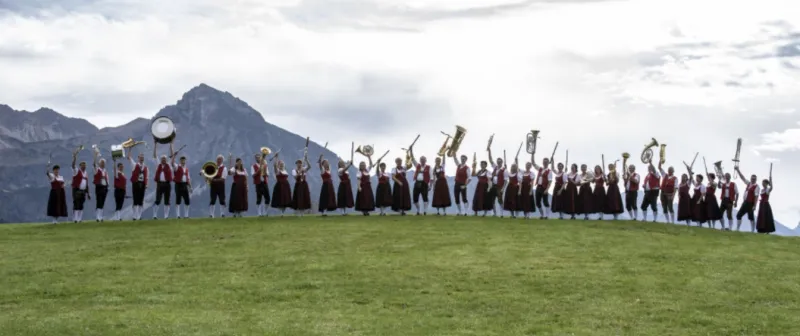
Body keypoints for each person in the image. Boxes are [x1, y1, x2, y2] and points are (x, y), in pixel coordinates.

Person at [734, 167, 759, 232]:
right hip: (745, 202)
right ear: (750, 178)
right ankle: (737, 229)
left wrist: (754, 206)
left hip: (750, 203)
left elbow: (756, 197)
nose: (753, 180)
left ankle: (752, 231)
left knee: (751, 217)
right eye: (752, 178)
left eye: (754, 179)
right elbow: (742, 178)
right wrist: (738, 170)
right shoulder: (748, 183)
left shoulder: (756, 186)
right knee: (739, 215)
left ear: (756, 179)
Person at [152, 144, 174, 219]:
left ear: (166, 160)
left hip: (167, 184)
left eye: (164, 159)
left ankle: (166, 216)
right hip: (159, 184)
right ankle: (154, 215)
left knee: (167, 201)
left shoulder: (169, 165)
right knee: (158, 200)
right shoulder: (158, 165)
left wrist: (171, 146)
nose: (163, 160)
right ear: (161, 160)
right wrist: (155, 146)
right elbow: (155, 156)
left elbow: (172, 155)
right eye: (162, 159)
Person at [408, 148, 431, 215]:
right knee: (415, 198)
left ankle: (425, 211)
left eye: (423, 160)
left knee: (425, 197)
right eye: (421, 160)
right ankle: (418, 210)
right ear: (420, 160)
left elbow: (431, 177)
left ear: (425, 160)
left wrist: (430, 185)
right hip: (417, 182)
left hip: (425, 183)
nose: (422, 161)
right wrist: (411, 150)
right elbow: (412, 159)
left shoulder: (429, 167)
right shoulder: (417, 166)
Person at [71, 151, 91, 223]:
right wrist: (75, 158)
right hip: (76, 190)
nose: (84, 166)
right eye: (82, 165)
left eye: (85, 165)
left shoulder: (86, 173)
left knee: (81, 204)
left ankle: (80, 219)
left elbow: (87, 184)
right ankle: (75, 219)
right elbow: (73, 165)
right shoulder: (77, 171)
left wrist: (88, 193)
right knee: (76, 204)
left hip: (83, 191)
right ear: (80, 166)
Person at [487, 149, 506, 217]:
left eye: (500, 162)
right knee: (492, 200)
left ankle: (501, 213)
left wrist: (503, 188)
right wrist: (489, 151)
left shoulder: (504, 170)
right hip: (493, 186)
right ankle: (494, 213)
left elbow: (506, 180)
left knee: (500, 200)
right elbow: (490, 160)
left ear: (502, 162)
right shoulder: (495, 167)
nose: (498, 163)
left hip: (499, 186)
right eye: (498, 161)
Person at [92, 151, 109, 222]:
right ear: (99, 163)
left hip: (104, 187)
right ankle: (97, 217)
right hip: (99, 187)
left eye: (104, 163)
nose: (103, 164)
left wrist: (107, 185)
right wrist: (95, 156)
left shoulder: (105, 171)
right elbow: (94, 164)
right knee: (99, 201)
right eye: (102, 162)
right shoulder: (97, 170)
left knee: (102, 202)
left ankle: (101, 216)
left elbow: (107, 179)